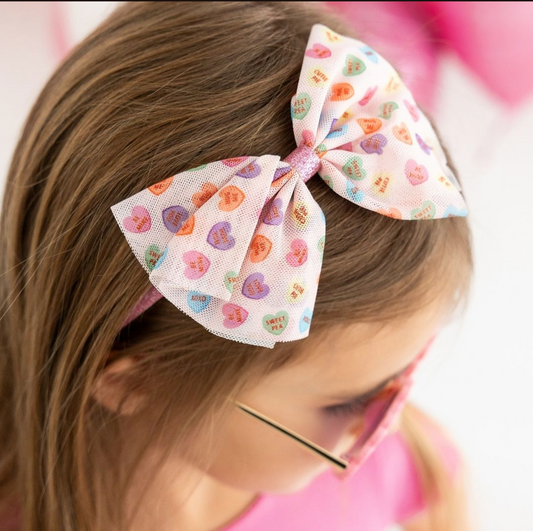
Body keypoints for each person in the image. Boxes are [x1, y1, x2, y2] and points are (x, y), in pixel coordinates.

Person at [0, 2, 476, 530]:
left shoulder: (402, 470)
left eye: (404, 373)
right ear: (136, 384)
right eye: (351, 403)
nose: (387, 426)